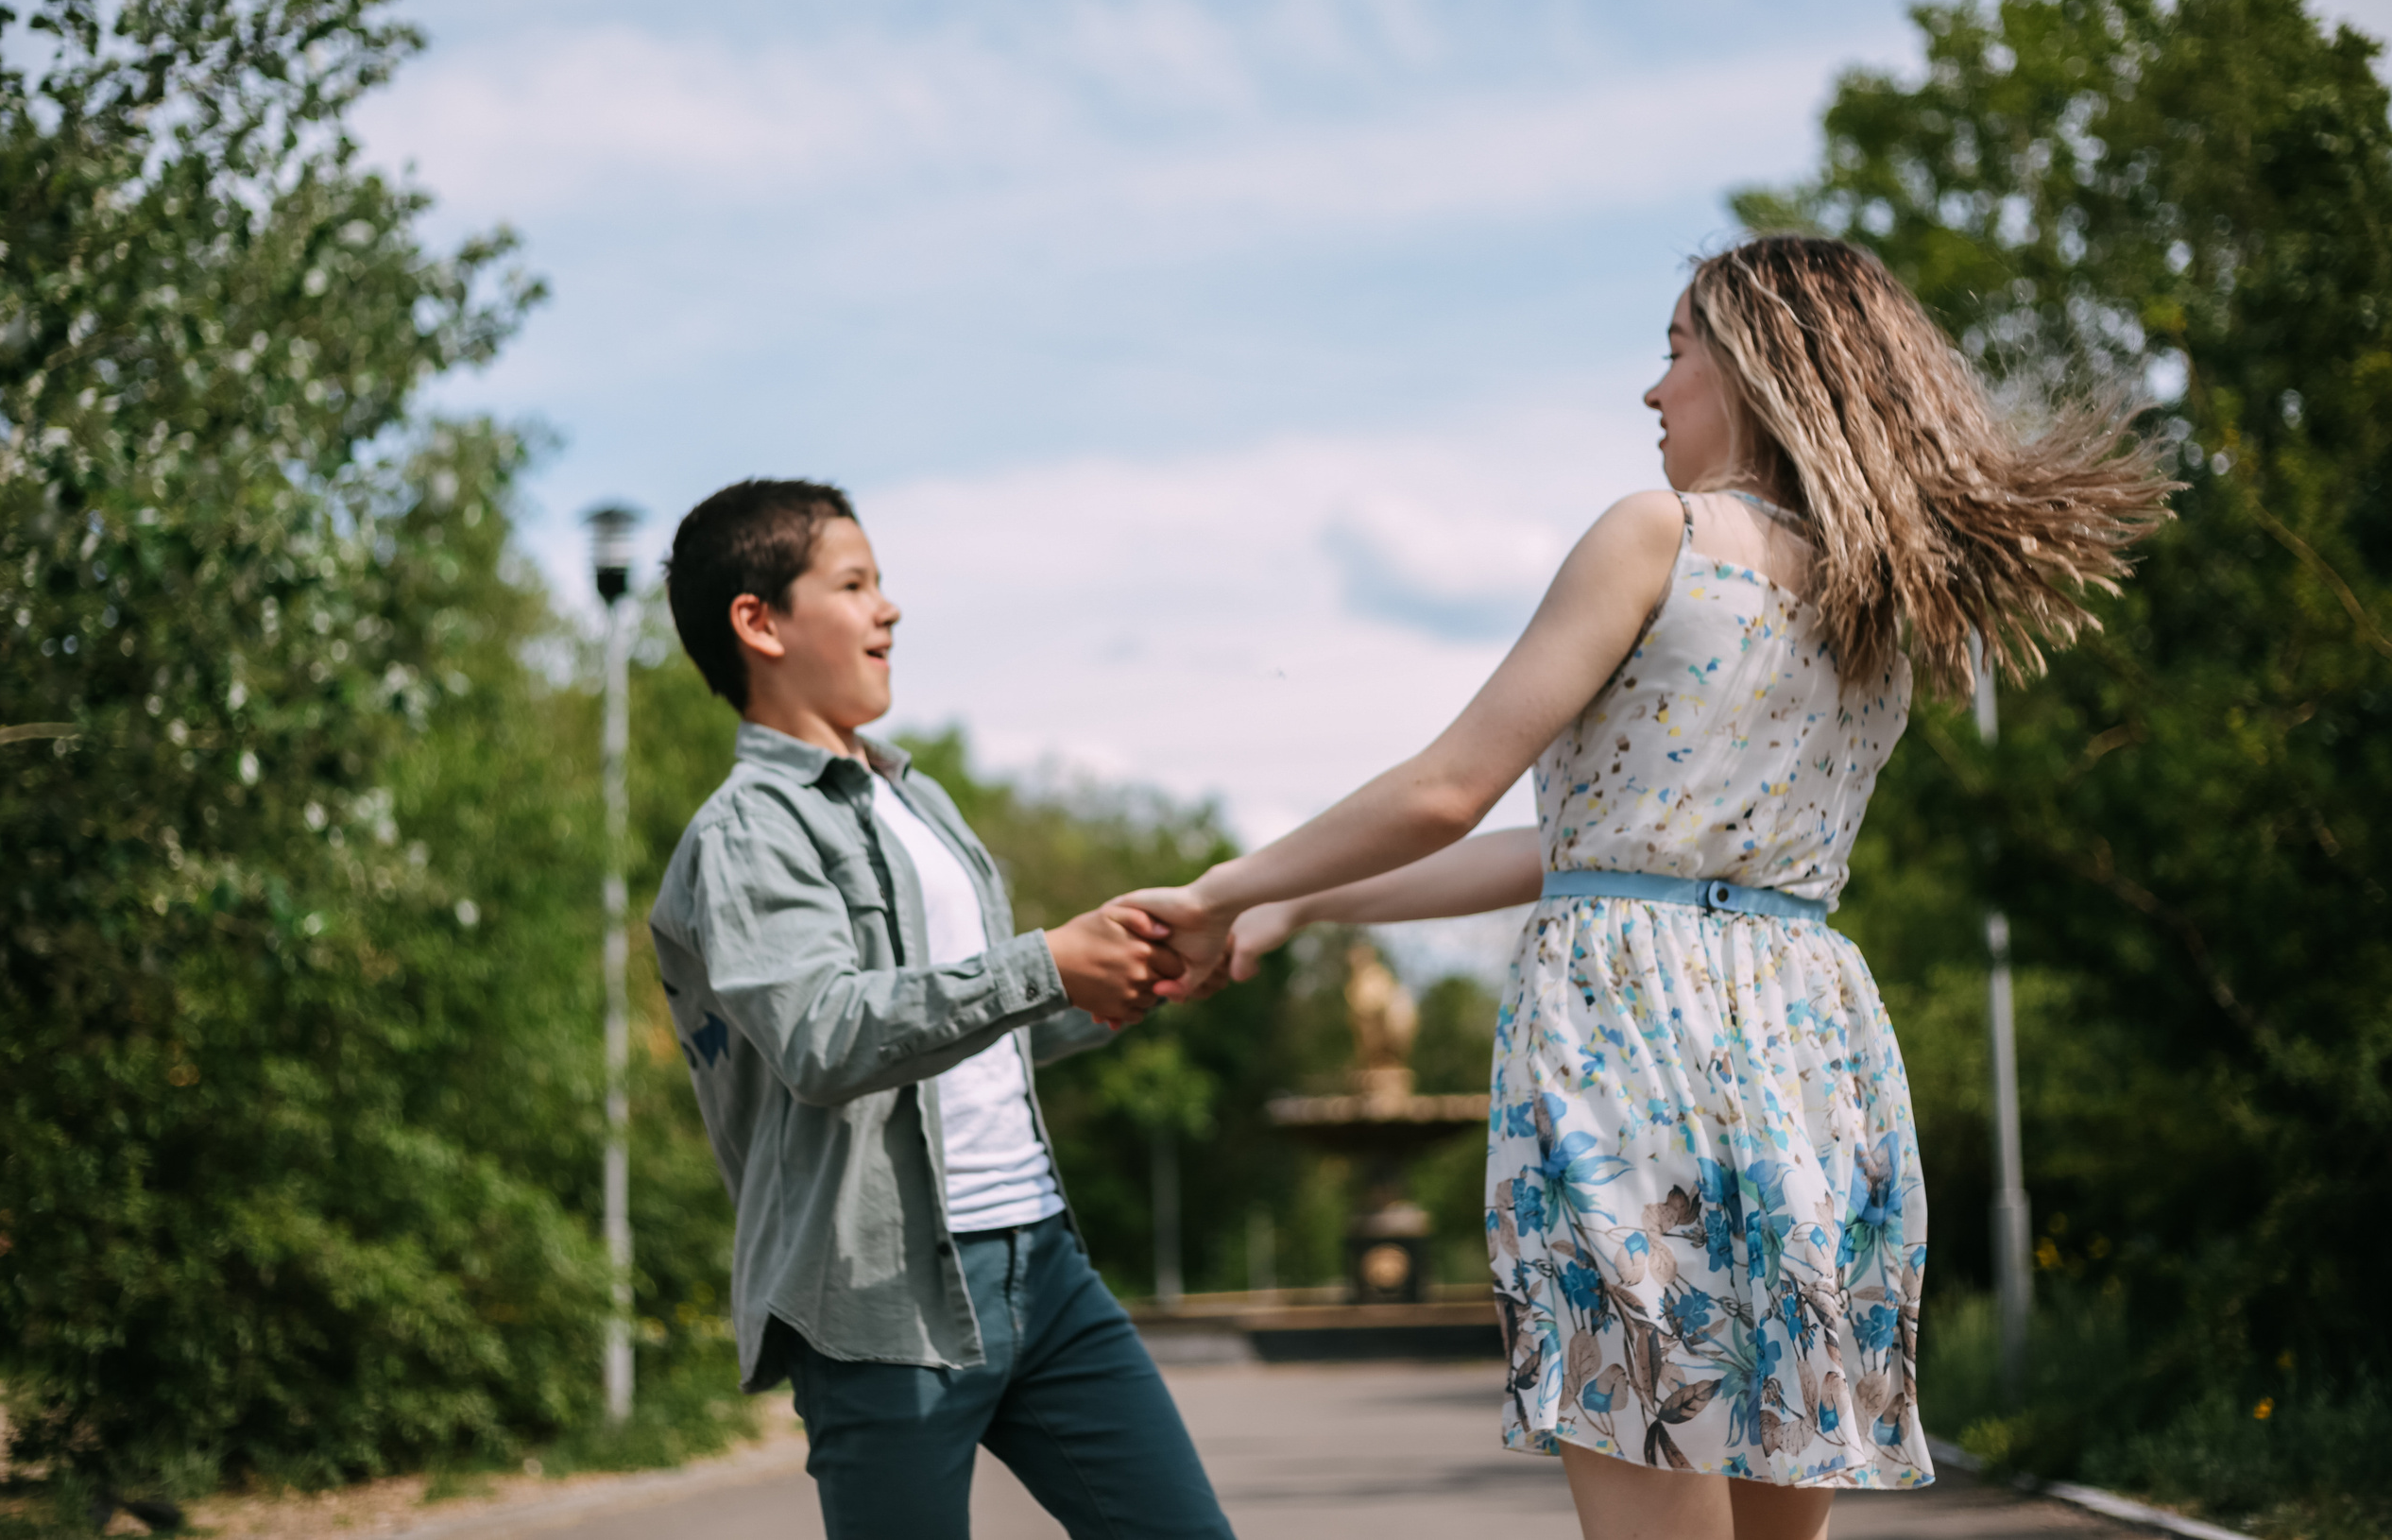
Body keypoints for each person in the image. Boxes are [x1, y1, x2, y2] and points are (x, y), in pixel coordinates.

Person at [1123, 236, 2172, 1540]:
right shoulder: (1881, 600)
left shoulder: (1654, 535)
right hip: (1809, 1045)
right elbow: (1586, 846)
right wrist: (1308, 901)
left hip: (1630, 1038)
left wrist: (1228, 882)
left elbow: (1455, 785)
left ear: (1758, 366)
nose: (1654, 387)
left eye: (1677, 348)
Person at [649, 479, 1234, 1540]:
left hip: (1043, 1265)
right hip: (881, 1301)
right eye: (856, 583)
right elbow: (826, 1037)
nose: (891, 609)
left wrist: (1121, 986)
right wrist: (1047, 965)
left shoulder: (918, 798)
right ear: (759, 621)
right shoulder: (747, 833)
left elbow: (967, 1038)